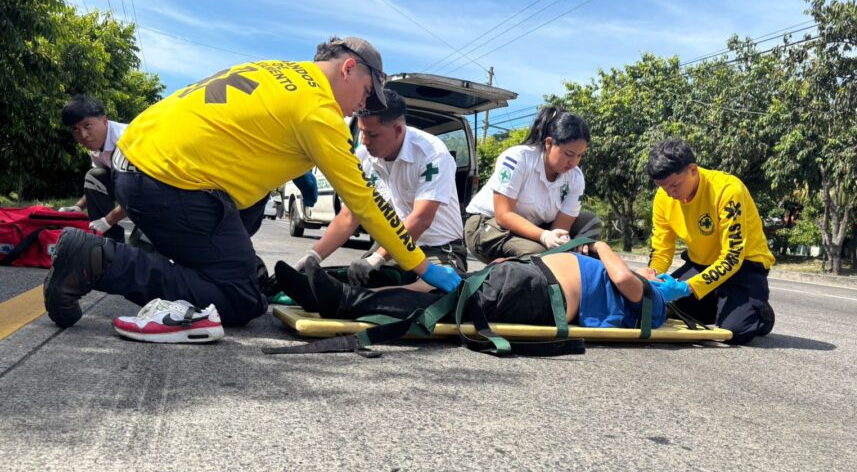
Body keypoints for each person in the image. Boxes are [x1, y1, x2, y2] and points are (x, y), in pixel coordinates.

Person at [43, 36, 462, 330]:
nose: (362, 107)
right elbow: (364, 202)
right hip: (167, 183)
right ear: (349, 69)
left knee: (250, 209)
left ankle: (215, 267)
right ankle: (99, 260)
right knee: (241, 300)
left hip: (134, 161)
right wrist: (422, 266)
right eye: (367, 93)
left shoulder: (275, 69)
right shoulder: (319, 110)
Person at [275, 240, 667, 332]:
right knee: (432, 288)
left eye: (658, 274)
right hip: (529, 279)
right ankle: (321, 295)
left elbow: (623, 279)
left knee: (447, 303)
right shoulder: (634, 286)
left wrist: (601, 246)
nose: (652, 271)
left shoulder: (654, 300)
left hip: (537, 292)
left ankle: (343, 301)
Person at [301, 89, 467, 285]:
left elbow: (421, 219)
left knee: (434, 292)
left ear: (397, 130)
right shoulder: (364, 157)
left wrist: (377, 258)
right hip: (394, 246)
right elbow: (350, 215)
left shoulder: (432, 154)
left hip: (438, 248)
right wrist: (314, 256)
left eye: (372, 134)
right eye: (362, 132)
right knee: (355, 281)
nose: (364, 141)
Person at [636, 138, 776, 344]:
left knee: (734, 332)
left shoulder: (727, 190)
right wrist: (652, 277)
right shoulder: (663, 198)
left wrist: (687, 288)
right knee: (655, 306)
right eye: (663, 188)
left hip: (743, 267)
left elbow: (732, 258)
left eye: (675, 185)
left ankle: (759, 311)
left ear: (693, 170)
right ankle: (717, 303)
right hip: (701, 264)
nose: (670, 194)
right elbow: (662, 249)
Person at [464, 106, 601, 263]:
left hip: (532, 228)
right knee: (539, 257)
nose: (574, 162)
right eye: (569, 154)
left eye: (579, 155)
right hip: (488, 225)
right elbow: (503, 215)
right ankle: (504, 272)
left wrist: (563, 244)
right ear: (549, 143)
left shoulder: (575, 177)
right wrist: (543, 236)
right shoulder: (518, 159)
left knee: (590, 221)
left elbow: (559, 229)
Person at [58, 95, 129, 243]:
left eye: (87, 125)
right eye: (75, 129)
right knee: (94, 175)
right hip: (130, 187)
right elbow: (97, 182)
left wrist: (108, 221)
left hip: (164, 191)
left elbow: (140, 194)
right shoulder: (96, 148)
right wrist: (78, 207)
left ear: (105, 120)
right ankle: (108, 242)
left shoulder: (127, 140)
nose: (83, 135)